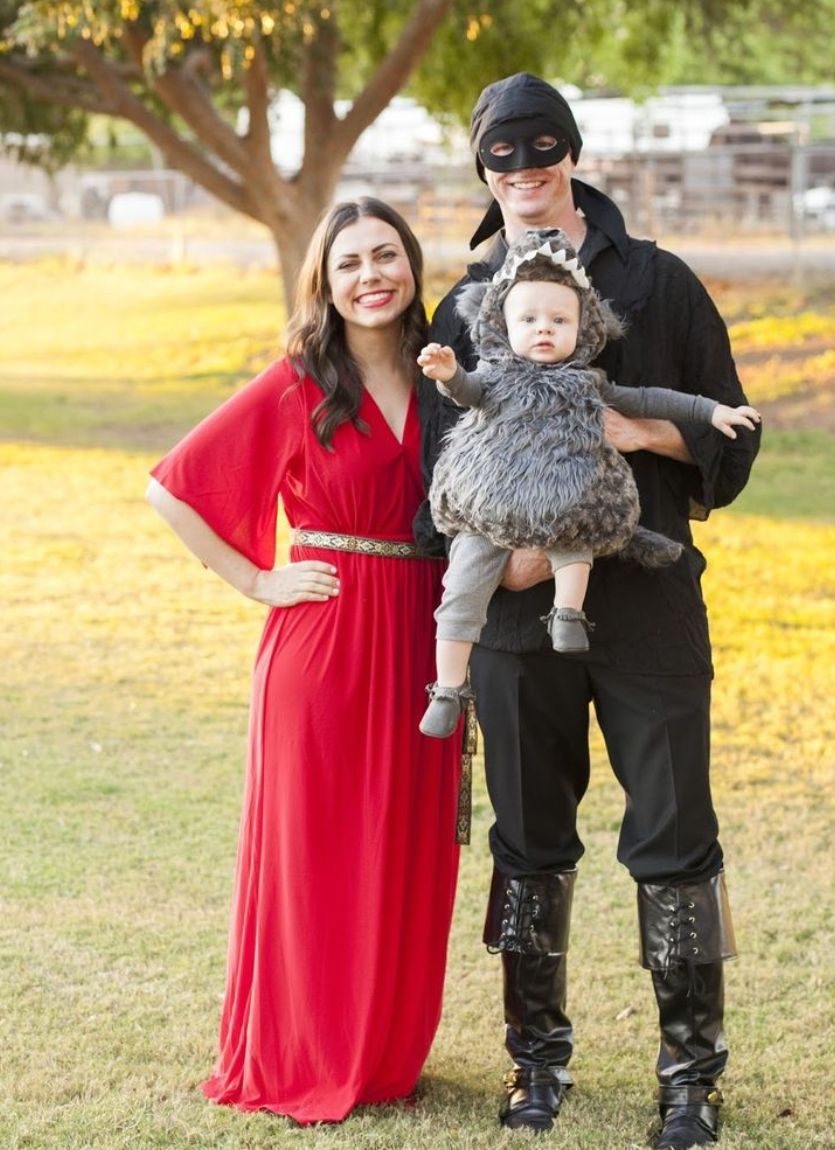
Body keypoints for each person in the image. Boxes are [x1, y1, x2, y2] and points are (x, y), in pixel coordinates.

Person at [416, 73, 761, 1148]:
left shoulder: (658, 284)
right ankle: (535, 1065)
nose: (523, 173)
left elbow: (730, 436)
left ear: (570, 155)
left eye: (540, 153)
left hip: (650, 605)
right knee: (526, 839)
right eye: (502, 159)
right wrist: (510, 566)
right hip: (521, 624)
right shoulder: (466, 304)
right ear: (484, 172)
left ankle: (690, 1079)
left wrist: (641, 437)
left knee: (673, 837)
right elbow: (441, 472)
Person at [147, 197, 461, 1125]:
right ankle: (304, 1051)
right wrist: (255, 580)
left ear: (410, 264)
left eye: (387, 256)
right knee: (320, 851)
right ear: (322, 282)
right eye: (350, 262)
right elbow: (174, 487)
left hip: (425, 638)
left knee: (403, 843)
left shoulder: (448, 376)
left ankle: (380, 1053)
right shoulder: (298, 381)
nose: (372, 276)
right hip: (324, 645)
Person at [416, 227, 760, 738]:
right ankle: (447, 688)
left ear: (585, 328)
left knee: (577, 540)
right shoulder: (494, 376)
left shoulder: (590, 383)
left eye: (560, 320)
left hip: (563, 502)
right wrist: (448, 372)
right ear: (502, 326)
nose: (543, 330)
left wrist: (712, 411)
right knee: (462, 590)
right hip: (487, 510)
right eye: (528, 320)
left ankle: (567, 614)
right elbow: (466, 392)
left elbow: (651, 398)